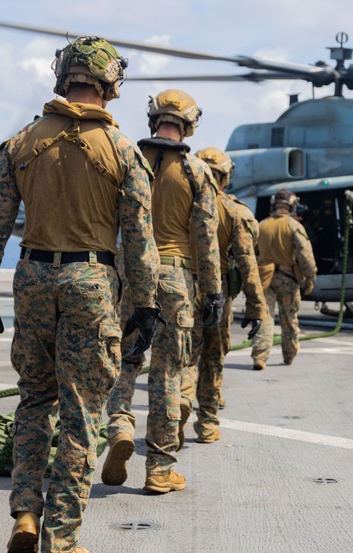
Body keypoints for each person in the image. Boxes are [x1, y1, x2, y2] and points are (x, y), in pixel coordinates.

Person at [0, 36, 160, 553]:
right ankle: (62, 538)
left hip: (31, 278)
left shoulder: (22, 142)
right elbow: (140, 238)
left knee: (34, 400)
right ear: (109, 82)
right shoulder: (123, 151)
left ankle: (25, 514)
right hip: (90, 283)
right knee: (81, 412)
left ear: (64, 74)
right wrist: (146, 305)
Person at [102, 88, 222, 494]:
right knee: (169, 375)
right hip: (175, 280)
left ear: (154, 119)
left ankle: (118, 425)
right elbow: (206, 241)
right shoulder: (197, 171)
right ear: (189, 124)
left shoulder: (127, 160)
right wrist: (214, 292)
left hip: (128, 275)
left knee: (124, 363)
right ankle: (159, 467)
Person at [180, 147, 267, 443]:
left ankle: (180, 400)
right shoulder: (235, 211)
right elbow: (247, 263)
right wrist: (257, 307)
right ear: (226, 178)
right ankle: (206, 423)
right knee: (213, 359)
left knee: (185, 357)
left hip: (181, 289)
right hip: (220, 295)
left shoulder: (179, 203)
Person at [251, 189, 317, 369]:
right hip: (288, 279)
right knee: (289, 318)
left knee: (264, 317)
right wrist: (310, 277)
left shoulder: (261, 225)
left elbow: (250, 253)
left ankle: (260, 356)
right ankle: (289, 354)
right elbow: (305, 255)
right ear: (292, 206)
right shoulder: (294, 226)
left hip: (265, 278)